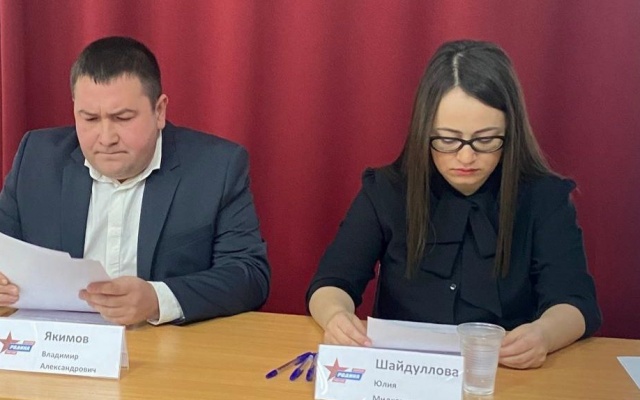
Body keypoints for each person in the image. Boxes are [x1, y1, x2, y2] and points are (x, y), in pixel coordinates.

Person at [306, 40, 601, 369]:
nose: (466, 157)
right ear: (424, 131)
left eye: (485, 140)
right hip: (402, 372)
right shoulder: (387, 190)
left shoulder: (543, 197)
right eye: (447, 139)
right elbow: (331, 282)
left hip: (502, 373)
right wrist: (336, 316)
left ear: (511, 132)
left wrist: (544, 335)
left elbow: (575, 302)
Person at [0, 36, 270, 326]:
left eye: (123, 118)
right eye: (90, 119)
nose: (106, 138)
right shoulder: (37, 158)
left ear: (159, 111)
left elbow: (249, 276)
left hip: (165, 344)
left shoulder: (216, 167)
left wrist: (157, 299)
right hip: (57, 342)